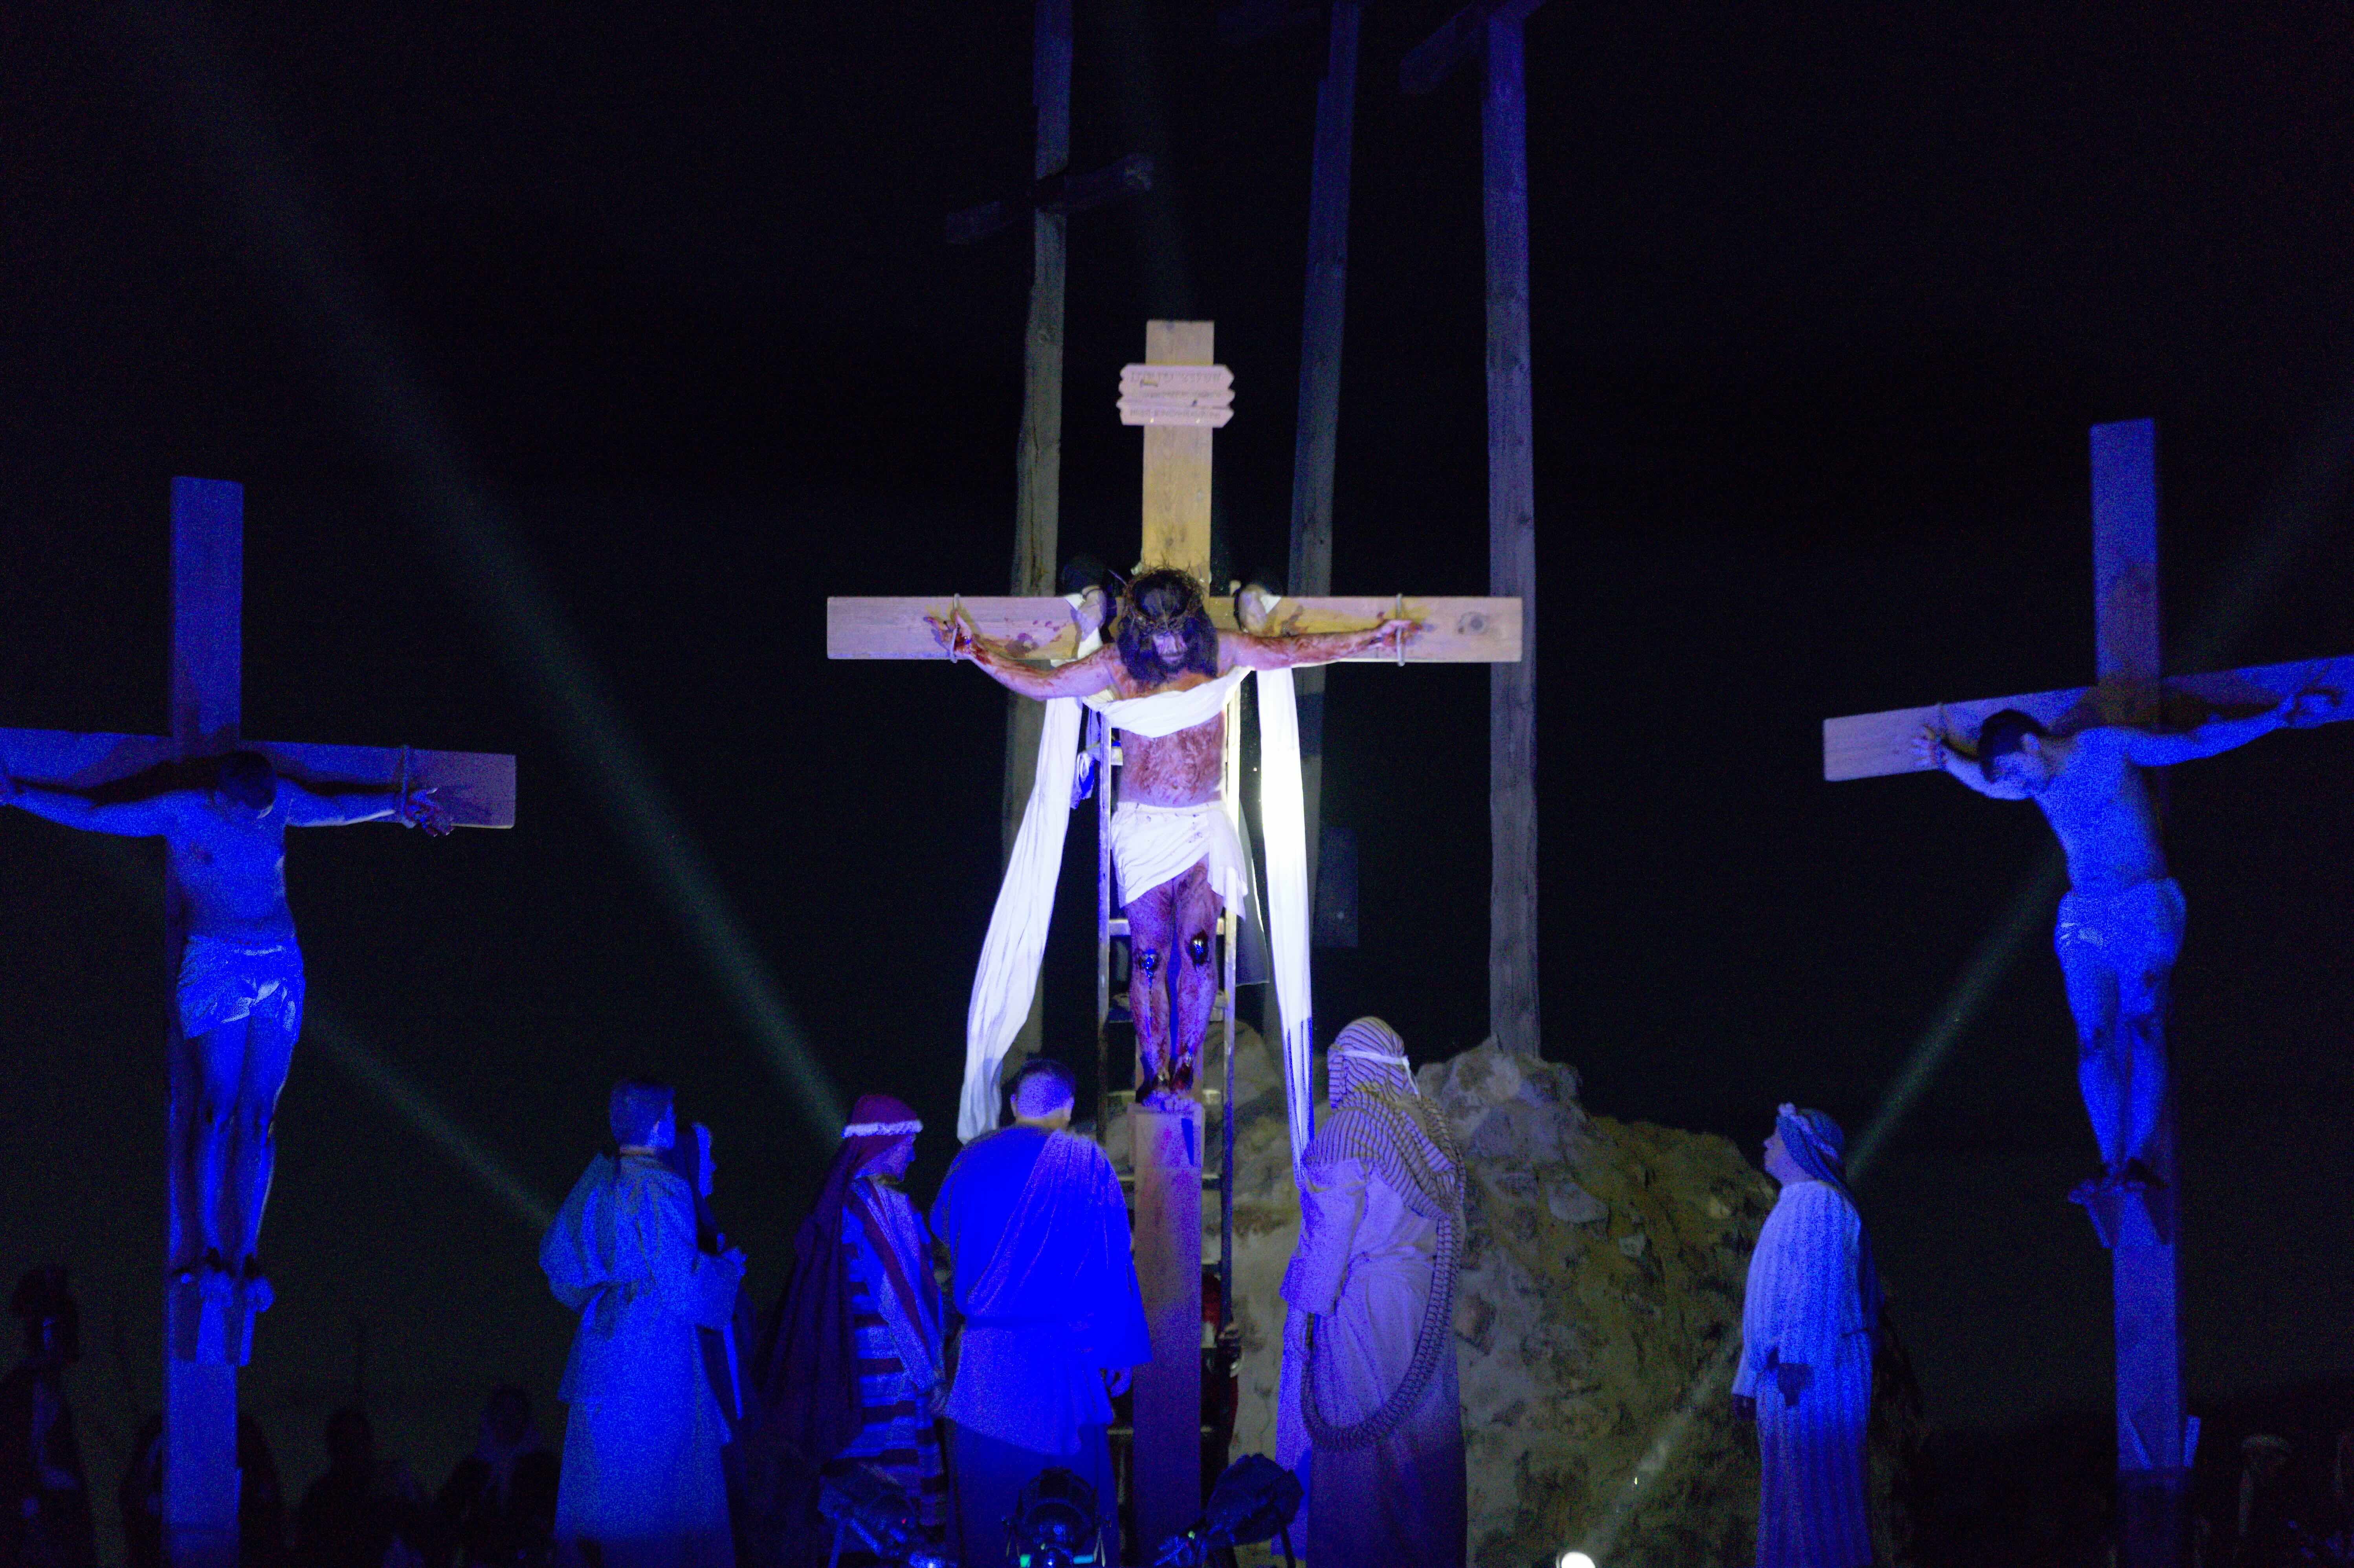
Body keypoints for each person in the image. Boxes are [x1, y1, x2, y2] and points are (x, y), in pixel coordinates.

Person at [935, 569, 1413, 1105]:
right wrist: (974, 651)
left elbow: (1292, 652)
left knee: (1200, 950)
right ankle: (1153, 1066)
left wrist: (1372, 638)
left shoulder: (1219, 652)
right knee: (1148, 957)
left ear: (1193, 624)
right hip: (1143, 833)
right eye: (1157, 635)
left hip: (1201, 828)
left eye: (1177, 632)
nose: (1168, 645)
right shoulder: (1118, 664)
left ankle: (1185, 1057)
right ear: (1139, 630)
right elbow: (1045, 683)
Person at [0, 751, 450, 1293]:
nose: (260, 817)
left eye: (266, 808)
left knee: (259, 1114)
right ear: (222, 797)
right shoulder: (184, 811)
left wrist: (398, 804)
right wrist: (18, 793)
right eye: (248, 810)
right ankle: (208, 1245)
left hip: (279, 963)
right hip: (218, 962)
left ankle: (249, 1252)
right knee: (216, 1105)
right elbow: (96, 814)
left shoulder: (278, 801)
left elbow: (334, 808)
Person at [1915, 693, 2331, 1198]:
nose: (2015, 783)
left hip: (2141, 903)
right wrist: (1946, 759)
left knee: (2143, 1024)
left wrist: (2274, 717)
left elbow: (2193, 742)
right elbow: (1990, 784)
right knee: (2092, 1037)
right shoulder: (2035, 784)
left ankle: (2139, 1157)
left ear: (2031, 744)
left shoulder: (2105, 749)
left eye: (2013, 769)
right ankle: (2110, 1160)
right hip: (2086, 913)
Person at [928, 1060, 1148, 1566]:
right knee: (1068, 1511)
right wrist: (1116, 1350)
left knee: (990, 1510)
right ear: (1068, 1107)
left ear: (1014, 1105)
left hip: (985, 1367)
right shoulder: (1085, 1162)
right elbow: (1112, 1261)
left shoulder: (969, 1160)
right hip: (1058, 1365)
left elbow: (943, 1232)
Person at [1275, 1019, 1466, 1568]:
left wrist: (1301, 1318)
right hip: (1420, 1303)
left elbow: (1328, 1239)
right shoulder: (1430, 1125)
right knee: (1419, 1455)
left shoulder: (1351, 1127)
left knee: (1362, 1460)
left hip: (1363, 1306)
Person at [541, 1078, 746, 1568]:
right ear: (657, 1124)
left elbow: (559, 1266)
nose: (673, 1124)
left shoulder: (598, 1183)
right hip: (652, 1349)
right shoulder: (660, 1185)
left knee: (612, 1484)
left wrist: (608, 1293)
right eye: (670, 1116)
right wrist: (725, 1271)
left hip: (602, 1348)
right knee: (658, 1487)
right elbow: (682, 1284)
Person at [744, 1094, 945, 1565]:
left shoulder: (842, 1202)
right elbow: (898, 1299)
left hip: (854, 1372)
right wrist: (931, 1376)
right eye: (907, 1143)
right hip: (891, 1371)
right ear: (884, 1145)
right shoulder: (880, 1206)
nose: (912, 1153)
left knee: (857, 1490)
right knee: (894, 1498)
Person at [1733, 1105, 1881, 1568]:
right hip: (1784, 1378)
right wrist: (1748, 1379)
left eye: (1777, 1137)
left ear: (1801, 1147)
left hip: (1816, 1377)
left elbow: (1817, 1284)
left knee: (1821, 1500)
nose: (1766, 1143)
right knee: (1788, 1503)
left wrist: (1798, 1360)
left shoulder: (1821, 1203)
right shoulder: (1793, 1204)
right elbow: (1766, 1303)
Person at [0, 1269, 96, 1568]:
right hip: (37, 1527)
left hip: (55, 1521)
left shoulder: (47, 1392)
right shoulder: (21, 1391)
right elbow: (13, 1461)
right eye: (52, 1327)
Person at [432, 1388, 558, 1568]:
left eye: (515, 1411)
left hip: (527, 1559)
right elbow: (447, 1510)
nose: (507, 1418)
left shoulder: (542, 1466)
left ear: (525, 1418)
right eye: (502, 1411)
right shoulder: (474, 1466)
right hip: (482, 1558)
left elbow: (552, 1510)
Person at [292, 1409, 429, 1568]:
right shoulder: (321, 1499)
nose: (353, 1451)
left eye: (357, 1443)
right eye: (346, 1444)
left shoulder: (391, 1488)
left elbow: (421, 1534)